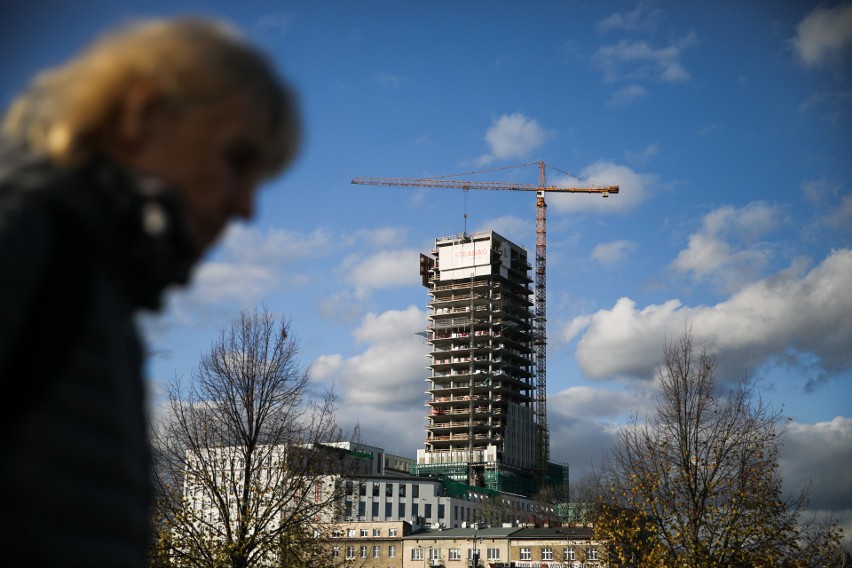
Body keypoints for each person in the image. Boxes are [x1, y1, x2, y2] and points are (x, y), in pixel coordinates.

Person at [0, 18, 300, 566]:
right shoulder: (28, 242)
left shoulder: (93, 288)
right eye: (235, 161)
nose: (246, 208)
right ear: (143, 116)